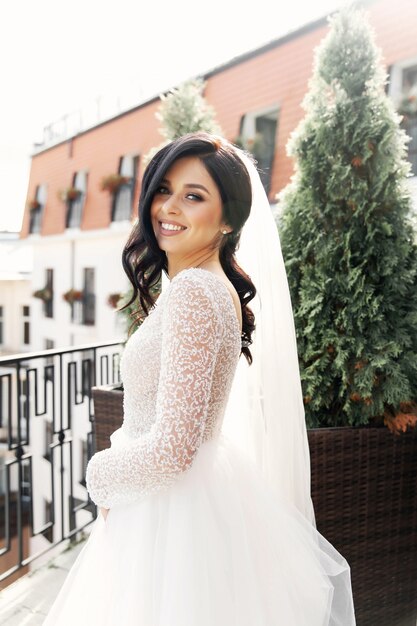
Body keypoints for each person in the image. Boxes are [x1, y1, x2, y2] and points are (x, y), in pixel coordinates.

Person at [43, 132, 356, 625]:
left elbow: (173, 448)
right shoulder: (213, 285)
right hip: (181, 502)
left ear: (229, 218)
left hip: (167, 515)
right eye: (163, 189)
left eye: (194, 196)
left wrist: (98, 475)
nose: (169, 207)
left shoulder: (193, 290)